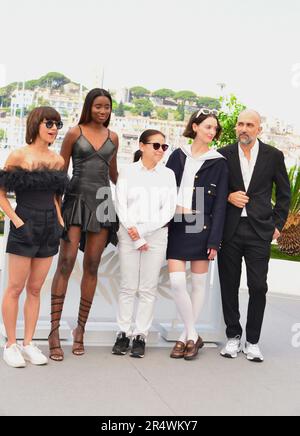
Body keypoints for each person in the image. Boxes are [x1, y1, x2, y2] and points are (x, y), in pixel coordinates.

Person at [48, 89, 119, 361]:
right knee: (65, 263)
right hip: (75, 200)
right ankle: (54, 331)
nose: (103, 111)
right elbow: (60, 172)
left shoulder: (113, 137)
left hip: (102, 202)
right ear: (89, 106)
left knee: (92, 265)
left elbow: (114, 175)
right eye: (98, 106)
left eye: (107, 107)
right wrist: (56, 208)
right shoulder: (73, 133)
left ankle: (81, 330)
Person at [218, 110, 291, 363]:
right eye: (240, 124)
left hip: (260, 229)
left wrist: (278, 224)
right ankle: (233, 336)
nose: (244, 128)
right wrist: (229, 196)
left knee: (258, 286)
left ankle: (253, 340)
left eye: (250, 124)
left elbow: (284, 193)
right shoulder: (224, 154)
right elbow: (214, 189)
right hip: (230, 229)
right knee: (228, 283)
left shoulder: (273, 156)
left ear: (259, 128)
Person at [0, 107, 68, 368]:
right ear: (36, 124)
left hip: (50, 225)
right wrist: (17, 221)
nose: (53, 128)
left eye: (58, 124)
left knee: (36, 288)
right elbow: (1, 193)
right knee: (15, 288)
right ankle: (11, 344)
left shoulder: (58, 160)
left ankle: (28, 343)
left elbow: (55, 196)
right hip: (24, 221)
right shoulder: (19, 154)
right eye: (49, 122)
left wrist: (60, 221)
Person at [166, 109, 229, 361]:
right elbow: (163, 188)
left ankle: (185, 337)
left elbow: (221, 205)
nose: (212, 132)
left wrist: (215, 240)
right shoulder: (177, 155)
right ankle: (193, 333)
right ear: (194, 127)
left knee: (199, 284)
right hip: (178, 225)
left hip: (201, 227)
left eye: (215, 129)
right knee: (177, 283)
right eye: (207, 127)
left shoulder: (219, 162)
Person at [112, 130, 177, 358]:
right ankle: (123, 332)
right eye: (156, 145)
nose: (160, 150)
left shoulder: (168, 175)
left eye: (163, 147)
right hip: (128, 235)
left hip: (155, 237)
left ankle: (141, 335)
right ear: (142, 146)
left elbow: (168, 210)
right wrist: (135, 234)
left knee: (148, 288)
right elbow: (120, 203)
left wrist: (142, 231)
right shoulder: (128, 172)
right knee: (128, 286)